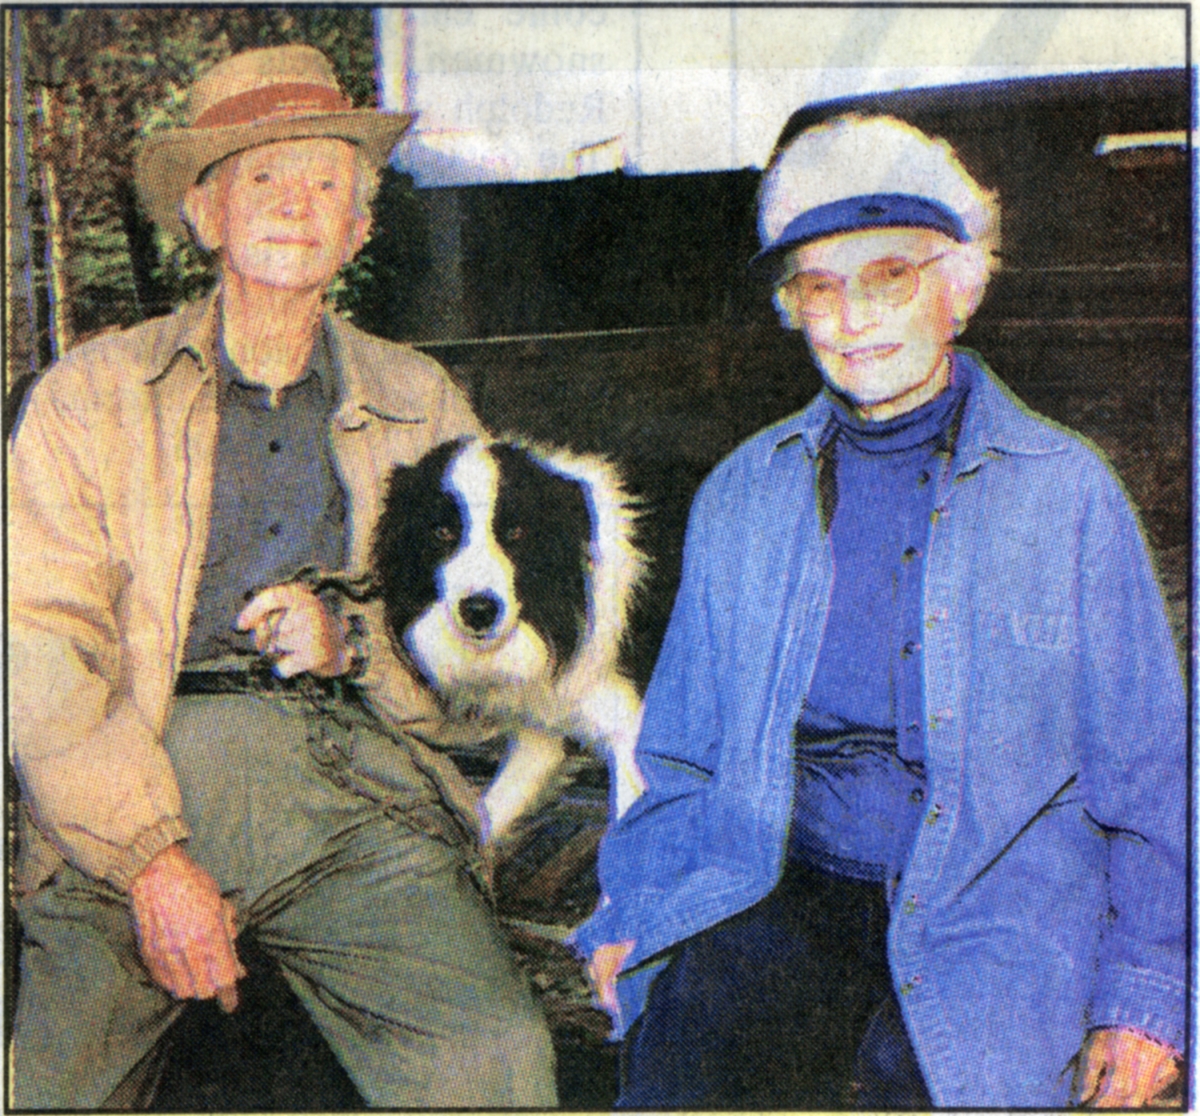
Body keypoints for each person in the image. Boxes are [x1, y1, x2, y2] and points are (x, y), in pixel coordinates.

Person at [572, 113, 1185, 1109]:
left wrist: (1149, 994)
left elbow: (1155, 779)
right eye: (821, 286)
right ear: (791, 308)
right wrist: (637, 905)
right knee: (681, 1061)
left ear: (960, 286)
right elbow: (682, 754)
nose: (855, 317)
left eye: (889, 277)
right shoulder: (743, 493)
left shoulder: (1068, 492)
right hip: (786, 880)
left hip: (1000, 905)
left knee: (941, 1081)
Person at [9, 45, 556, 1109]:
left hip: (352, 789)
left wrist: (358, 644)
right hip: (133, 770)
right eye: (262, 176)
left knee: (496, 1065)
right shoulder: (94, 394)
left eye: (326, 183)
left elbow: (494, 658)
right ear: (205, 215)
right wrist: (150, 863)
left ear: (358, 229)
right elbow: (34, 644)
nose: (296, 205)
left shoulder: (422, 400)